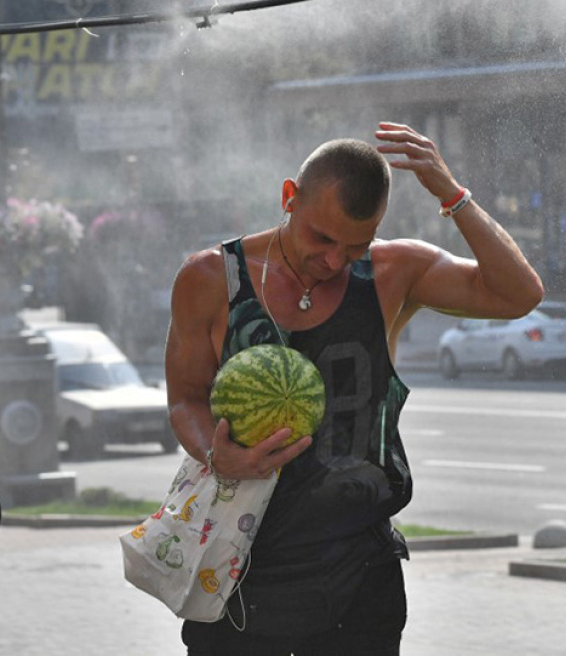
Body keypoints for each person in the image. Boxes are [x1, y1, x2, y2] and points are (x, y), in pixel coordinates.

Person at [165, 123, 543, 654]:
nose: (336, 260)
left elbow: (518, 294)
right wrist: (215, 453)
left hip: (361, 577)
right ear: (288, 198)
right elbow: (184, 398)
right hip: (241, 569)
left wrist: (452, 195)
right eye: (322, 238)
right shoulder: (210, 279)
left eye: (355, 244)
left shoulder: (393, 270)